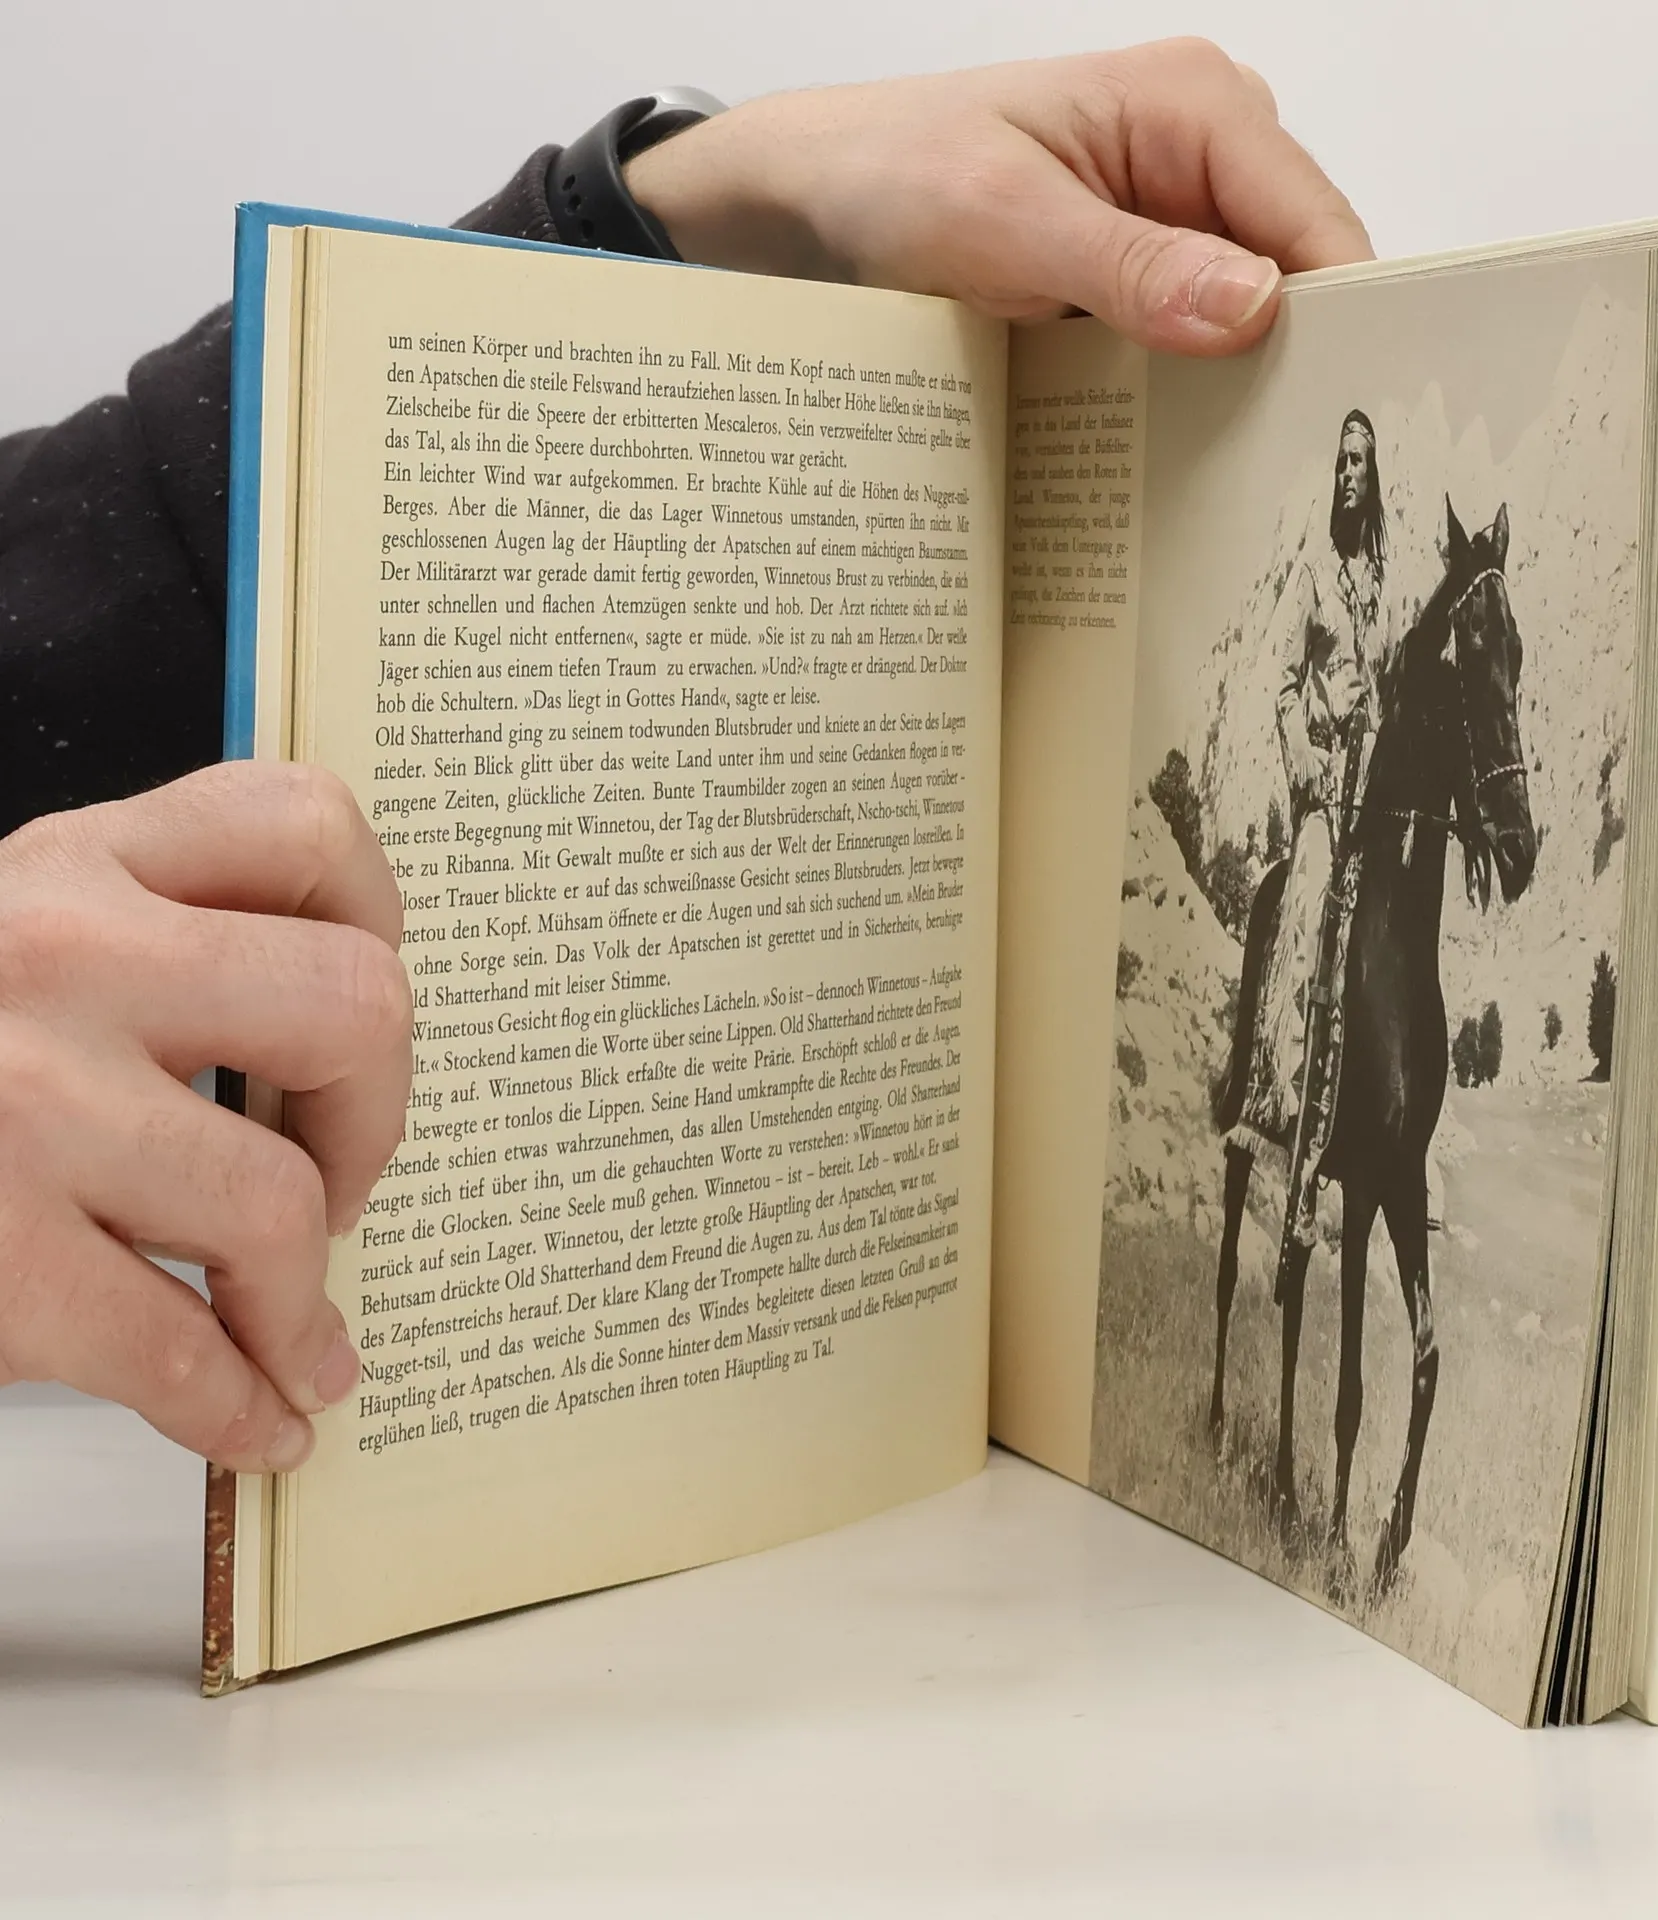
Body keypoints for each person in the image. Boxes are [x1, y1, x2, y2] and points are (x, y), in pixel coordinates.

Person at [0, 42, 1370, 1476]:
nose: (1347, 491)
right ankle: (1253, 1099)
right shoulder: (1315, 591)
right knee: (1283, 922)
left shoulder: (1372, 565)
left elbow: (62, 603)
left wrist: (686, 212)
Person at [1222, 408, 1393, 1172]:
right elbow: (1285, 687)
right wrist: (1307, 758)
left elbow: (1386, 685)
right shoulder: (1315, 575)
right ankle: (1277, 1097)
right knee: (1311, 900)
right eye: (1341, 462)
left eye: (1360, 462)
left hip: (1372, 788)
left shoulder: (1383, 589)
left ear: (1376, 478)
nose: (1348, 473)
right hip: (1324, 787)